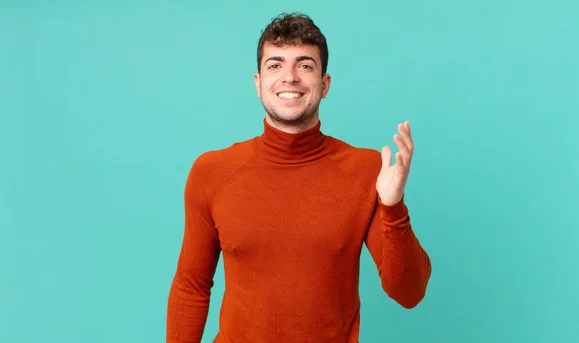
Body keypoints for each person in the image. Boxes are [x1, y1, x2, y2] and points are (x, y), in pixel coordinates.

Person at [166, 12, 432, 343]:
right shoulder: (212, 172)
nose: (289, 77)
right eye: (275, 65)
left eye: (304, 65)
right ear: (258, 82)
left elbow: (409, 291)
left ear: (324, 84)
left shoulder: (366, 170)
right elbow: (191, 285)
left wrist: (393, 207)